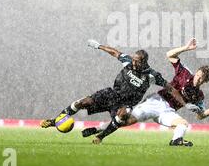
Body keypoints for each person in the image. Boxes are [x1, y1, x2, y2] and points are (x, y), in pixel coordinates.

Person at [83, 38, 209, 146]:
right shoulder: (185, 73)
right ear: (197, 72)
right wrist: (186, 48)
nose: (198, 79)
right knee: (125, 121)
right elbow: (170, 55)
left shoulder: (199, 96)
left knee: (183, 124)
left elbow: (200, 115)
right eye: (198, 75)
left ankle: (176, 141)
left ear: (205, 82)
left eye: (202, 79)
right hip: (156, 101)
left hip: (168, 111)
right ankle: (97, 129)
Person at [40, 39, 184, 133]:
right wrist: (98, 46)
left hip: (125, 104)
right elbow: (115, 52)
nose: (133, 63)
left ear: (144, 61)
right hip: (111, 94)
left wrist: (185, 104)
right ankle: (56, 120)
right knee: (82, 102)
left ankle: (98, 131)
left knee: (122, 121)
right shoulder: (128, 62)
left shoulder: (152, 75)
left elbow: (170, 88)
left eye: (137, 61)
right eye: (133, 60)